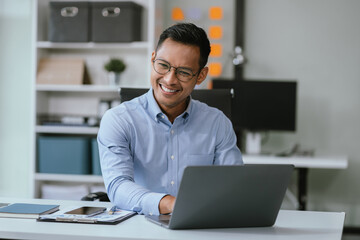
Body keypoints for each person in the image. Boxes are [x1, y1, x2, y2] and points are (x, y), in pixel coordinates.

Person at [97, 23, 243, 216]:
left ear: (201, 76)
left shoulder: (217, 123)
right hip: (139, 227)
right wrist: (170, 204)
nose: (169, 79)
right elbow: (118, 187)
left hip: (202, 226)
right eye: (163, 66)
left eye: (183, 72)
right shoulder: (118, 120)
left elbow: (233, 185)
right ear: (152, 59)